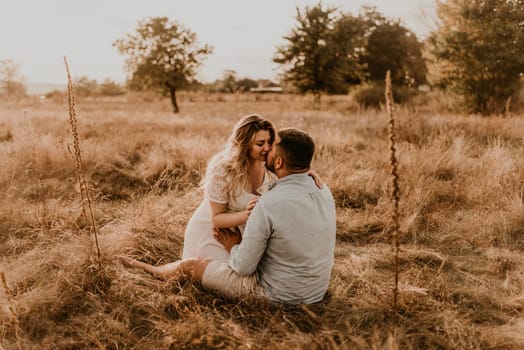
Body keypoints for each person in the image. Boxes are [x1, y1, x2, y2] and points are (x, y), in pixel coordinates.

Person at [117, 115, 322, 279]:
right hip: (213, 233)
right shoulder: (223, 168)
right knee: (228, 276)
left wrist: (308, 174)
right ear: (245, 144)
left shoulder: (269, 167)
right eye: (260, 143)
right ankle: (149, 270)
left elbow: (291, 171)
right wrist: (248, 214)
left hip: (243, 236)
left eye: (269, 142)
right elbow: (216, 218)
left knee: (249, 271)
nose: (267, 148)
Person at [154, 128, 337, 305]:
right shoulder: (323, 189)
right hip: (315, 291)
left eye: (271, 147)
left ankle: (151, 270)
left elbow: (243, 267)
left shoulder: (266, 204)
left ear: (279, 162)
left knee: (191, 266)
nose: (266, 149)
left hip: (275, 294)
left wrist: (233, 245)